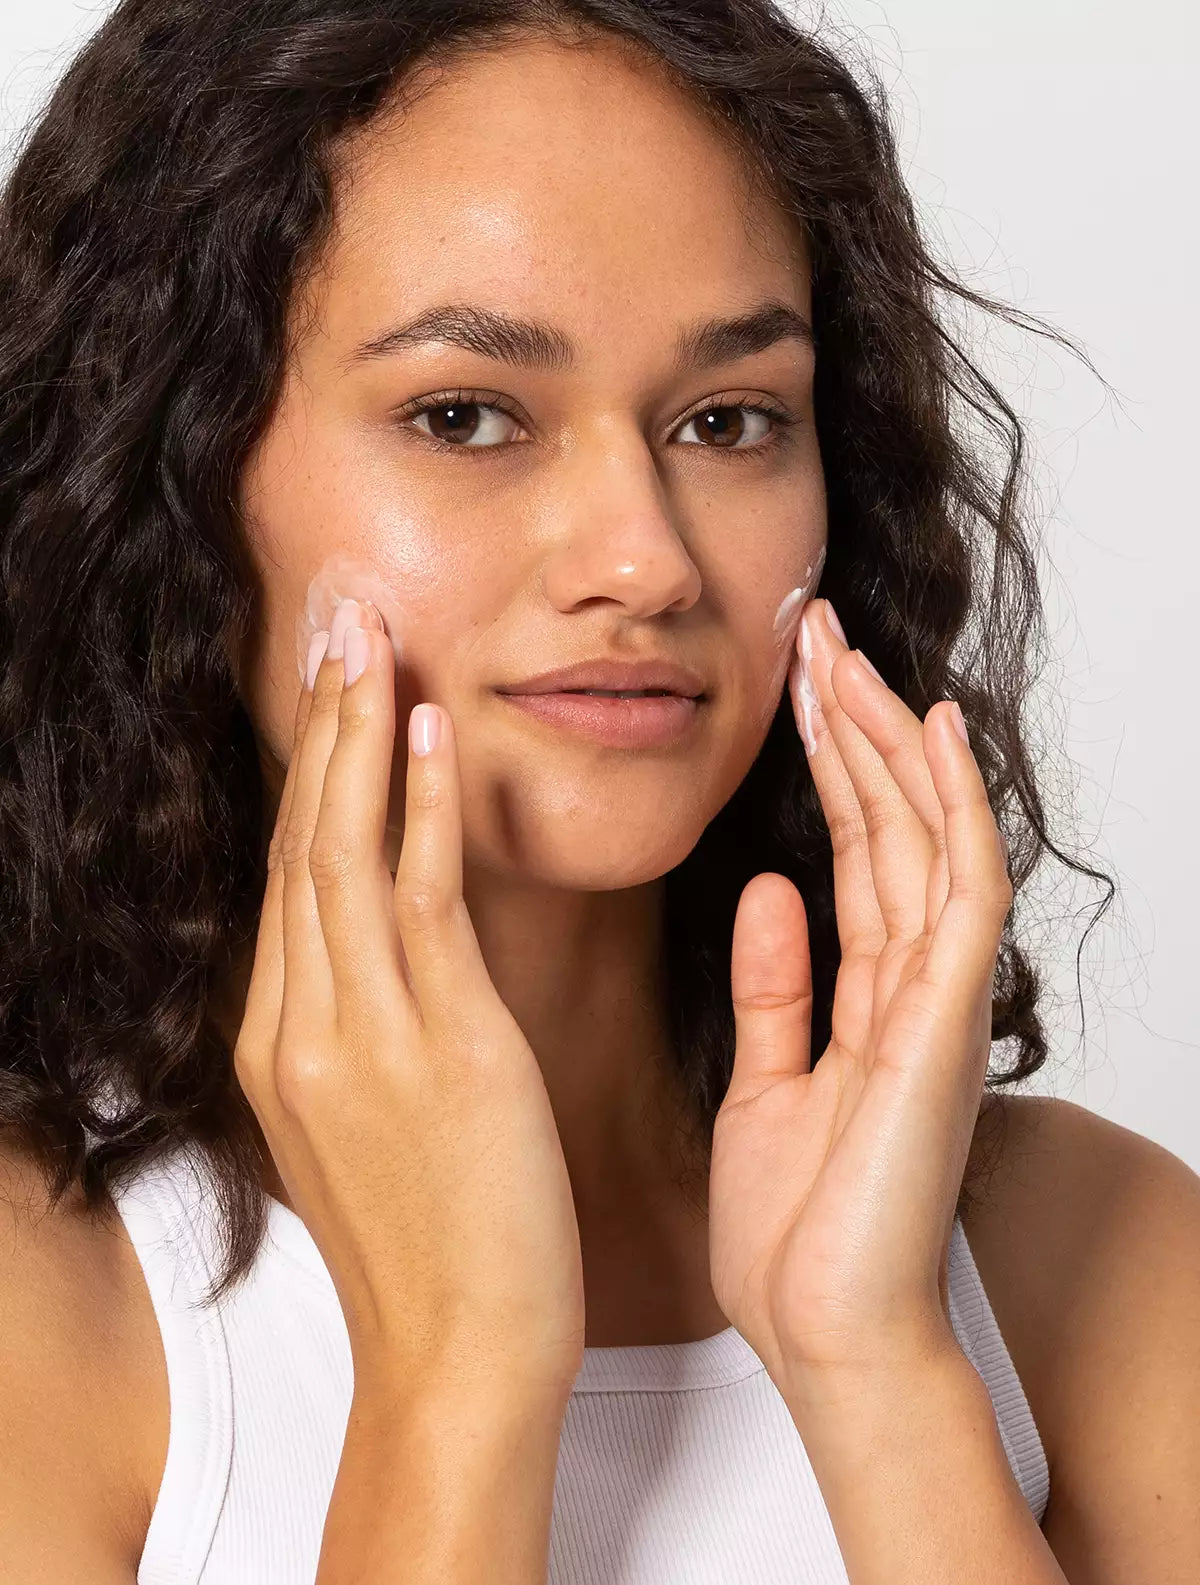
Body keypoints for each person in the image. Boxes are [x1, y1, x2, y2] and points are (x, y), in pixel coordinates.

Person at [0, 1, 1196, 1580]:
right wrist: (455, 1378)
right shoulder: (45, 1302)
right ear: (168, 478)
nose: (645, 557)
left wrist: (875, 1365)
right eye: (464, 415)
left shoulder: (1100, 1254)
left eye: (728, 420)